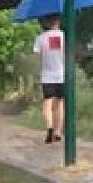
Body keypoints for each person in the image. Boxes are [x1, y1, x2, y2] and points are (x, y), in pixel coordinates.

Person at [33, 16, 65, 144]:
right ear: (57, 22)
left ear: (46, 22)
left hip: (47, 75)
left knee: (47, 104)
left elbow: (37, 56)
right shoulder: (64, 36)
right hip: (61, 75)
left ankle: (49, 126)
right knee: (60, 104)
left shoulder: (40, 38)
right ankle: (58, 132)